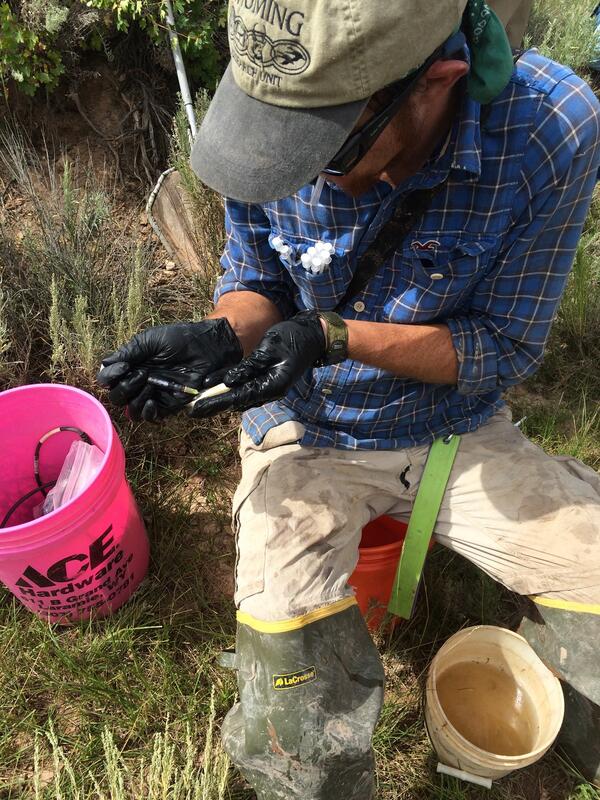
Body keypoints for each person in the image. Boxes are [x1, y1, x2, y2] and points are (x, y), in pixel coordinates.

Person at [98, 0, 600, 796]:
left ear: (438, 80)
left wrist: (335, 336)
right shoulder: (279, 113)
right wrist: (226, 334)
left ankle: (566, 746)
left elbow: (501, 345)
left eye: (323, 148)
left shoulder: (554, 130)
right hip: (305, 426)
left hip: (452, 428)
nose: (288, 167)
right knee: (292, 701)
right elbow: (255, 281)